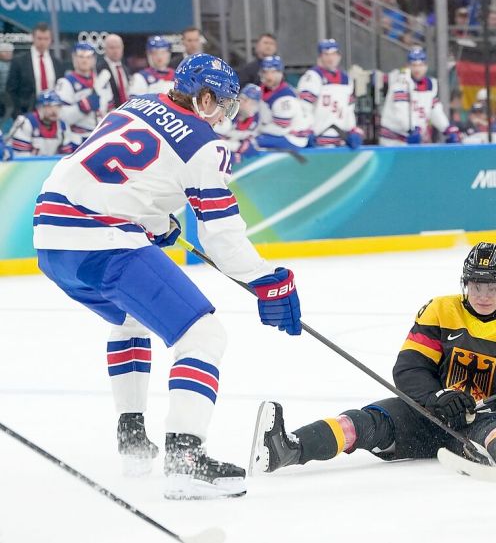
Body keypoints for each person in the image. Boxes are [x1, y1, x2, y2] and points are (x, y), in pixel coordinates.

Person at [31, 53, 303, 500]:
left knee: (128, 320)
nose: (224, 117)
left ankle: (132, 436)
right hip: (103, 239)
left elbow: (117, 178)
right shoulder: (206, 145)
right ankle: (186, 459)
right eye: (224, 105)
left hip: (50, 237)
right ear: (206, 97)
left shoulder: (135, 104)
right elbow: (221, 238)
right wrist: (268, 278)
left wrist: (157, 225)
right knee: (204, 336)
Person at [251, 243, 496, 473]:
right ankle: (288, 448)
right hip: (428, 415)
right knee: (363, 422)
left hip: (483, 418)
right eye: (477, 285)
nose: (484, 295)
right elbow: (409, 368)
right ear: (465, 282)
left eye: (493, 287)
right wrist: (438, 396)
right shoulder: (441, 310)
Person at [379, 47, 459, 146]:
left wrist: (447, 128)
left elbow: (434, 110)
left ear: (425, 66)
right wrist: (414, 128)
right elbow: (401, 112)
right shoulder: (401, 83)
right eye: (414, 65)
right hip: (393, 140)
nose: (417, 69)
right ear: (408, 66)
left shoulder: (430, 85)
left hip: (414, 137)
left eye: (420, 65)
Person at [297, 39, 363, 149]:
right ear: (320, 57)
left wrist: (352, 129)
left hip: (340, 140)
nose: (330, 58)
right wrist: (305, 130)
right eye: (326, 54)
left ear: (339, 56)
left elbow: (349, 109)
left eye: (333, 54)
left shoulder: (346, 79)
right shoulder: (312, 77)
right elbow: (304, 108)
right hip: (317, 139)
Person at [55, 43, 111, 141]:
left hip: (101, 136)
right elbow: (61, 117)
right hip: (77, 139)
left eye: (88, 57)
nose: (85, 60)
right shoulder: (65, 83)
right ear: (74, 58)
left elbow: (110, 109)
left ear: (94, 59)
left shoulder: (102, 81)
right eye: (80, 57)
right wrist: (82, 107)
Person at [6, 22, 65, 117]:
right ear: (33, 38)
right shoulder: (19, 62)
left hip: (52, 115)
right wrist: (17, 114)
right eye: (39, 38)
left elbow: (62, 90)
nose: (42, 42)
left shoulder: (57, 64)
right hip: (26, 114)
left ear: (51, 40)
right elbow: (10, 91)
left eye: (46, 39)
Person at [256, 55, 310, 150]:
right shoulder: (262, 90)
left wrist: (257, 130)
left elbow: (281, 129)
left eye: (273, 72)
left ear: (280, 73)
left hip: (294, 139)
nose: (269, 76)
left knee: (253, 142)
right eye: (265, 72)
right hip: (277, 133)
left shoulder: (285, 96)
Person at [8, 90, 77, 156]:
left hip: (51, 166)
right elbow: (20, 156)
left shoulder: (63, 126)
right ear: (40, 107)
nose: (54, 110)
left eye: (58, 106)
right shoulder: (25, 122)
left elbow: (65, 155)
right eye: (49, 106)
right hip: (25, 166)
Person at [214, 83, 262, 162]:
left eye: (254, 103)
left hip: (231, 147)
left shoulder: (256, 118)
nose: (242, 102)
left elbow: (249, 144)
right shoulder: (226, 114)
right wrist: (236, 147)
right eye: (242, 98)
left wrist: (239, 147)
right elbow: (212, 142)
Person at [95, 34, 130, 110]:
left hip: (126, 112)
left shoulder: (126, 69)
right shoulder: (99, 69)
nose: (115, 51)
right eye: (112, 47)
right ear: (105, 49)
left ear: (122, 48)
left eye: (118, 47)